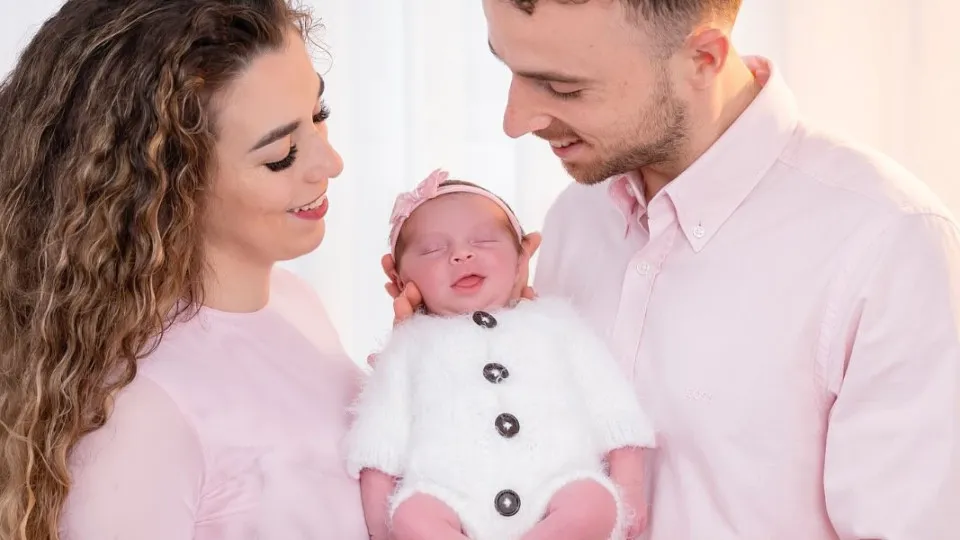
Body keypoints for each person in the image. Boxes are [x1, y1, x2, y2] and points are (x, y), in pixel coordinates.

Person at [384, 0, 960, 538]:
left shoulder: (887, 241)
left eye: (563, 87)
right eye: (509, 68)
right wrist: (445, 361)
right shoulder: (576, 218)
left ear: (702, 60)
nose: (515, 121)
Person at [0, 1, 368, 539]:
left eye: (319, 113)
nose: (330, 163)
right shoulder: (140, 414)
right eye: (282, 154)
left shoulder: (294, 301)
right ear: (166, 184)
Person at [349, 169, 655, 540]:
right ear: (401, 280)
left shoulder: (556, 323)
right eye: (432, 250)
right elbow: (380, 437)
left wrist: (629, 487)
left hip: (555, 482)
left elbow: (610, 401)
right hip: (450, 495)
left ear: (521, 260)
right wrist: (380, 529)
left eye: (483, 241)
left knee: (593, 502)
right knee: (412, 518)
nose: (461, 255)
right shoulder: (408, 346)